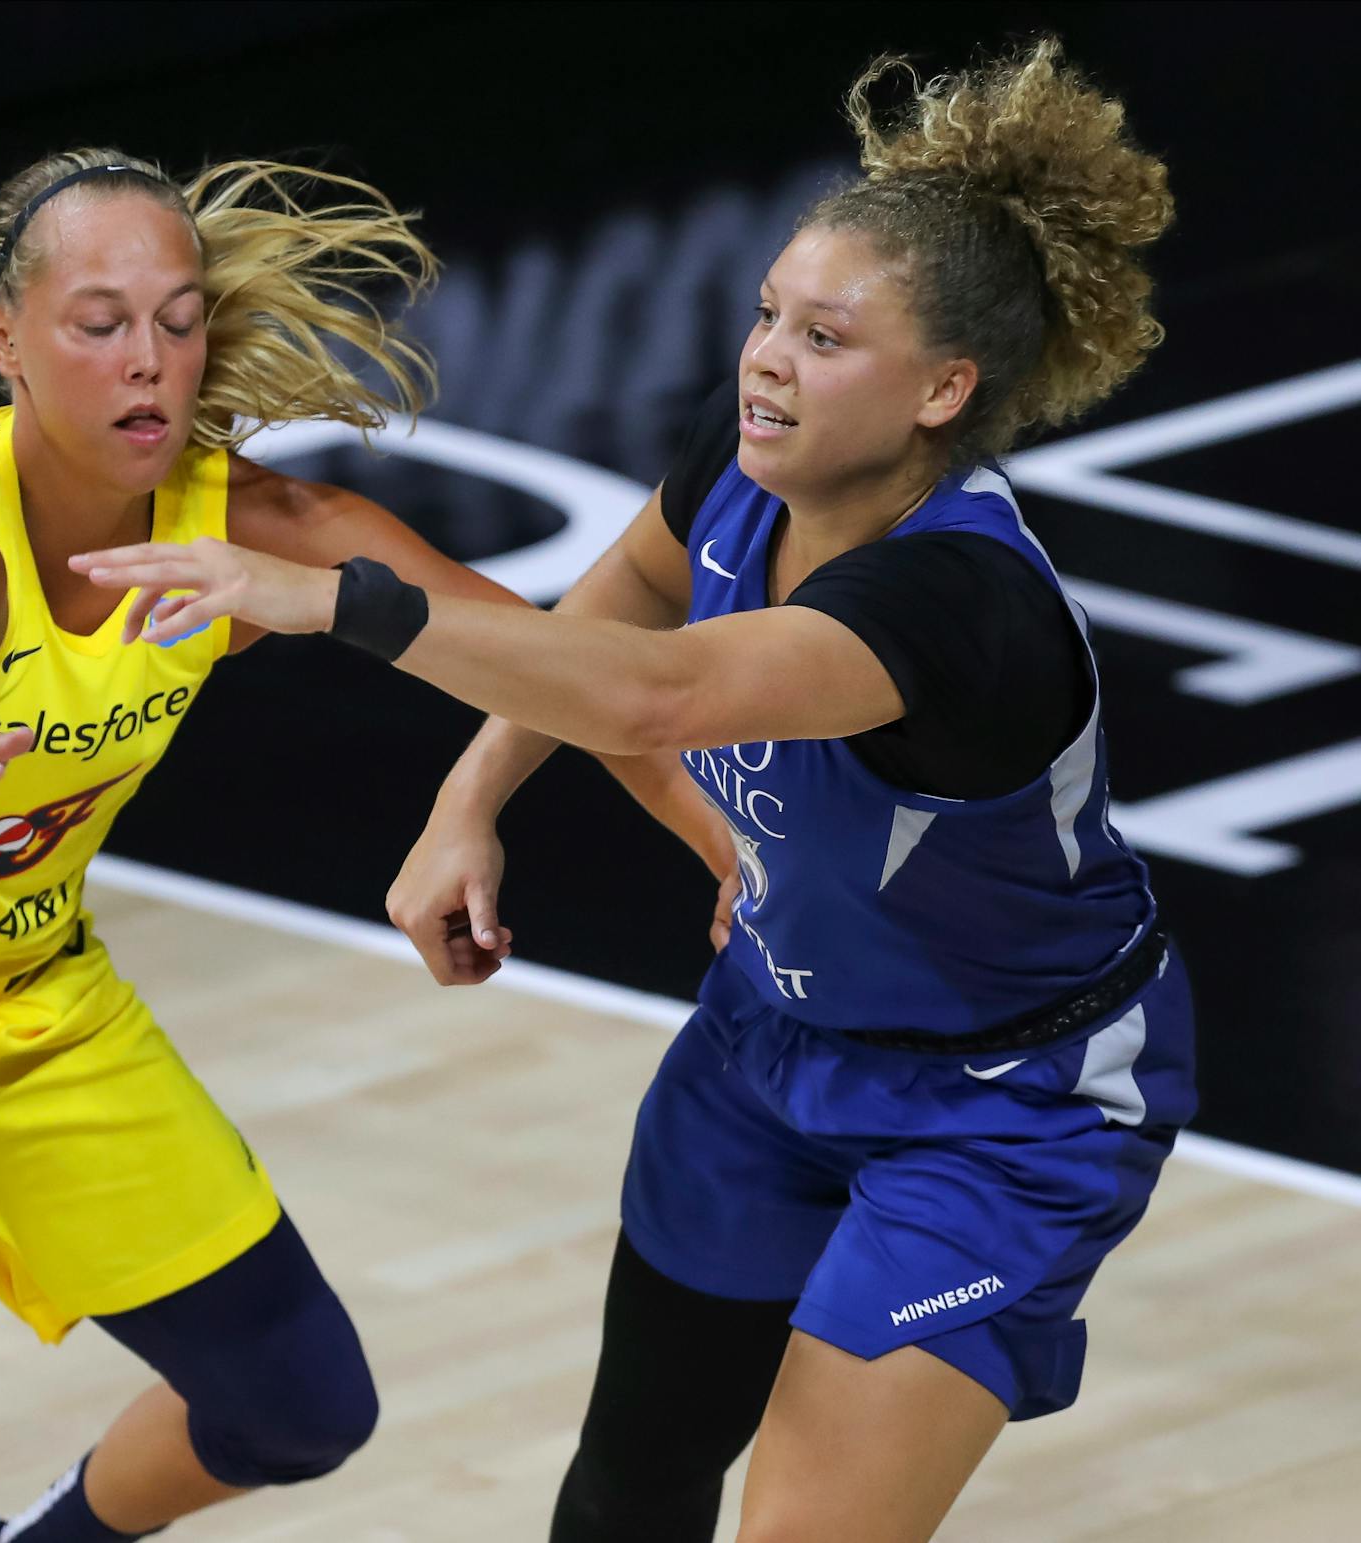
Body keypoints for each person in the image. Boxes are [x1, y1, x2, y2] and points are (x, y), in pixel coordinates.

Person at [71, 40, 1192, 1543]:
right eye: (769, 315)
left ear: (945, 387)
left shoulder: (957, 607)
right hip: (770, 1045)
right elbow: (602, 619)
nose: (770, 360)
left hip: (1004, 1105)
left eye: (827, 338)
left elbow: (654, 695)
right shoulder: (747, 473)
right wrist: (467, 803)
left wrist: (330, 599)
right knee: (635, 1473)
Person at [0, 147, 715, 1543]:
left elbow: (556, 667)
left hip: (38, 1004)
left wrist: (718, 845)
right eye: (99, 324)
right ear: (5, 340)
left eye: (176, 318)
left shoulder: (259, 535)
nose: (148, 361)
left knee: (297, 1404)